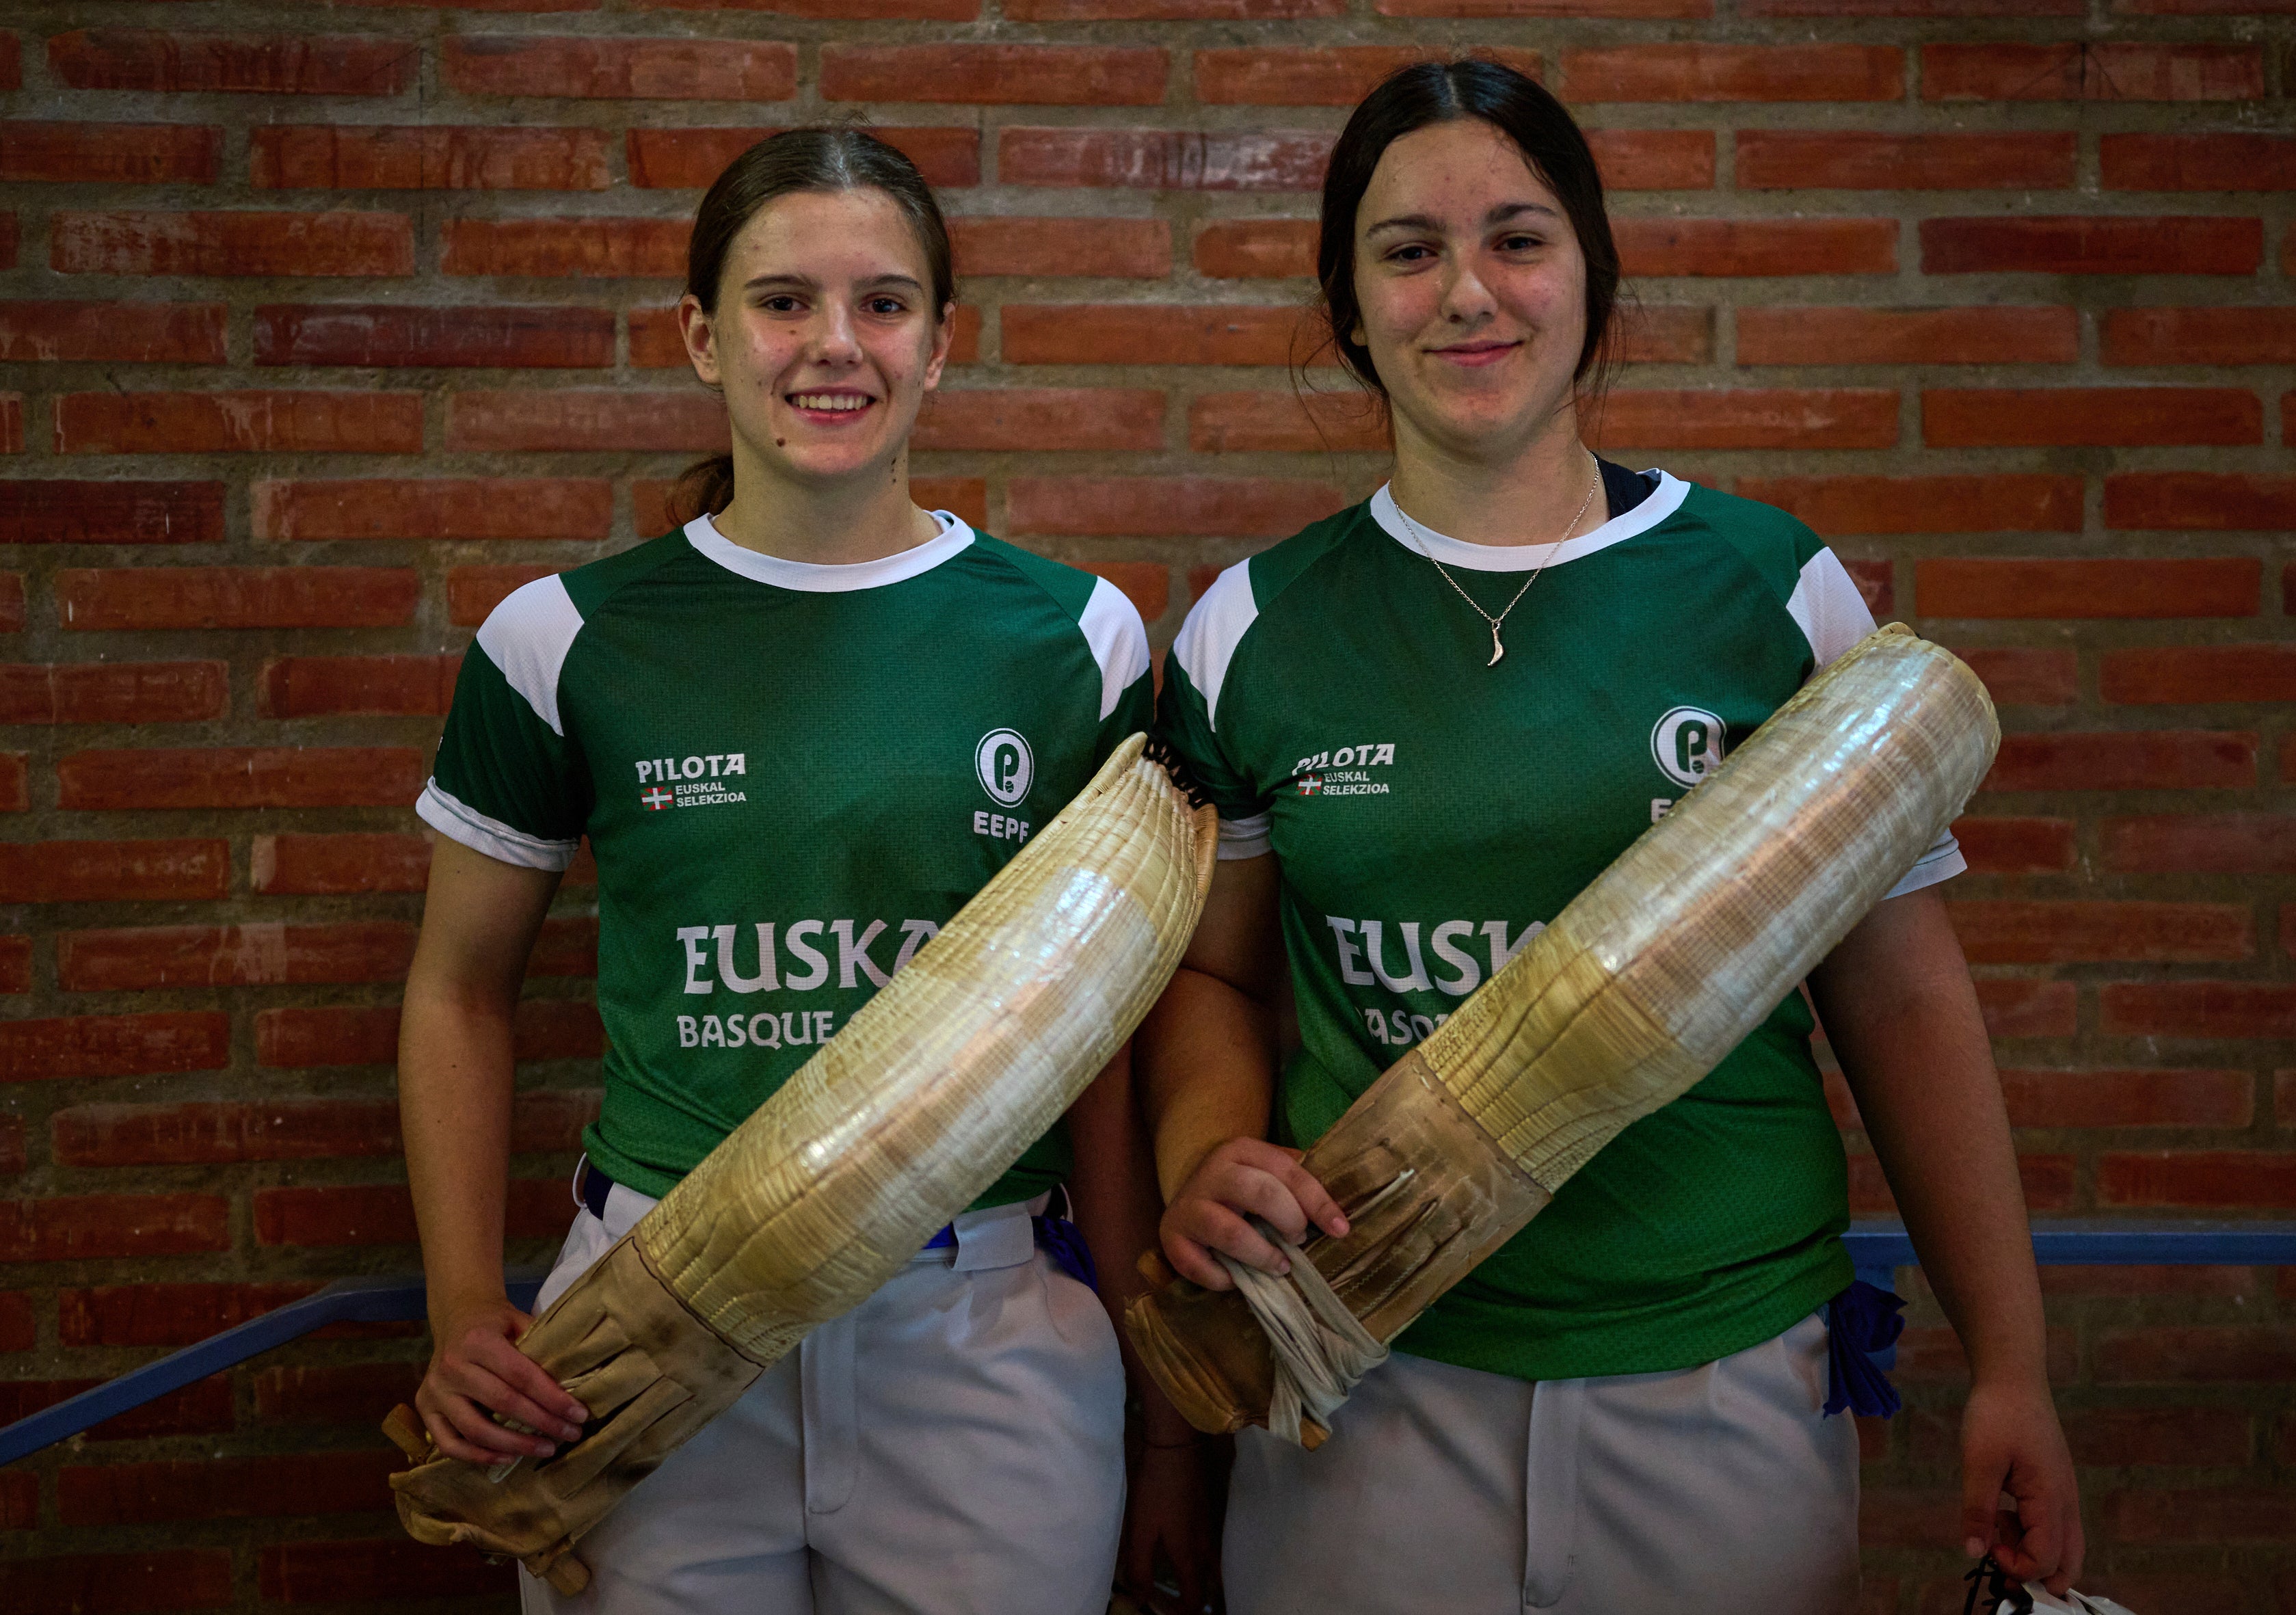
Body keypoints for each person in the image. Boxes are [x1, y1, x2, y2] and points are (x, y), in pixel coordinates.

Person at [1139, 62, 2083, 1615]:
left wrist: (2012, 1364)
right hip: (1365, 1374)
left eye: (1517, 239)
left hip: (1722, 1381)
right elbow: (1215, 979)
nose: (1467, 292)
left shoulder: (1771, 588)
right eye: (1408, 251)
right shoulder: (1251, 625)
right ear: (1348, 309)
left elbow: (1902, 995)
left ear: (1592, 278)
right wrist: (1202, 1155)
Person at [397, 126, 1207, 1614]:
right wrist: (462, 1306)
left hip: (978, 1320)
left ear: (940, 343)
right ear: (701, 336)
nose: (834, 343)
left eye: (883, 303)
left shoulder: (1074, 635)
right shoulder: (559, 636)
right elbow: (458, 990)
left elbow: (1096, 1039)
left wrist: (1158, 1409)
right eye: (782, 301)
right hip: (650, 1315)